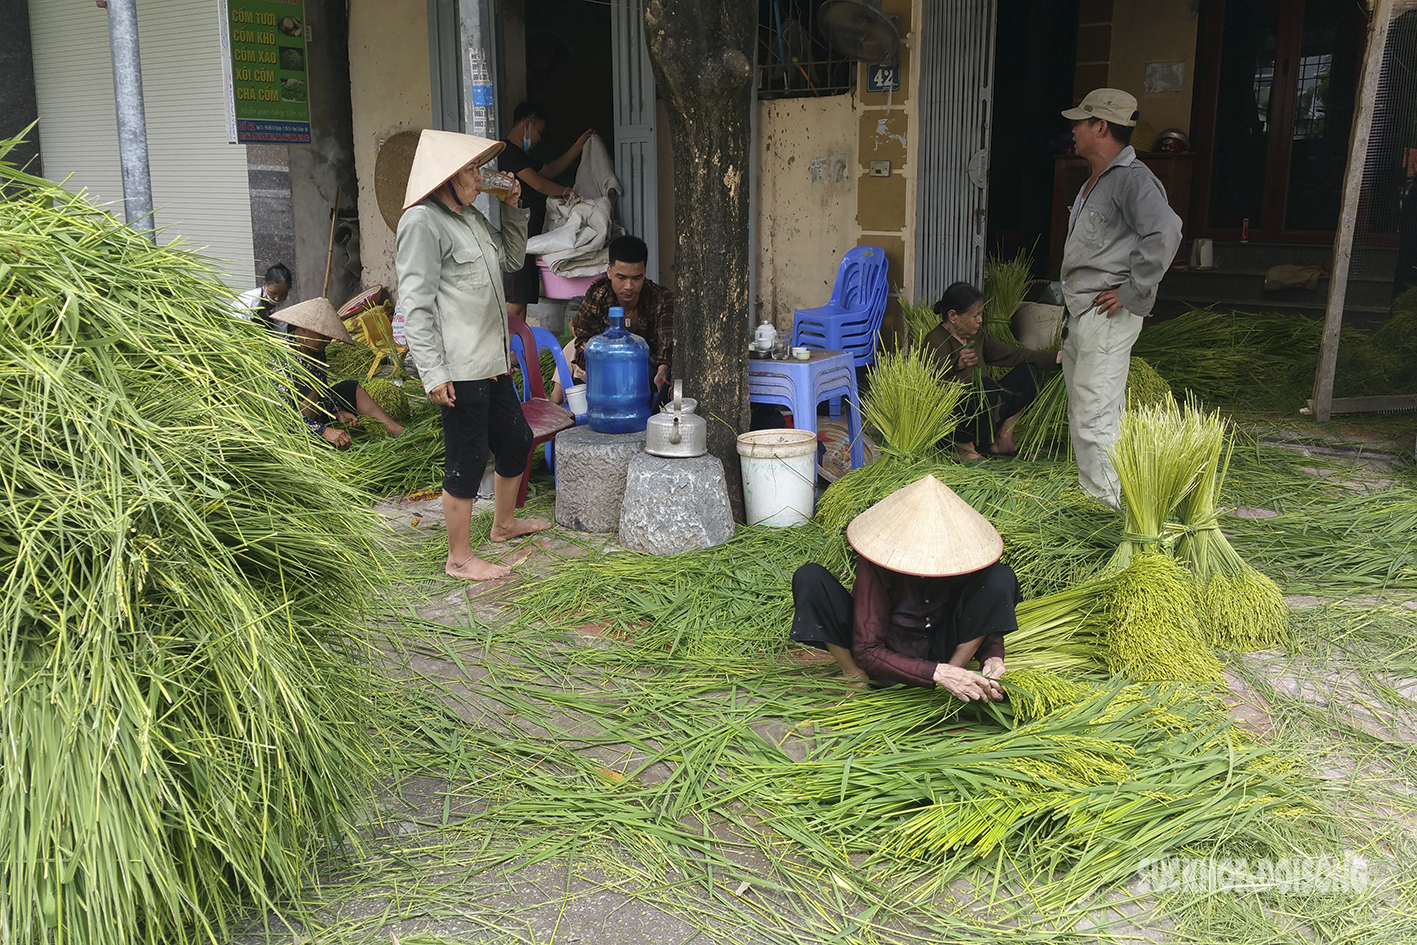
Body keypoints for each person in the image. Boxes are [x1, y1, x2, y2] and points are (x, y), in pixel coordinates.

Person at [396, 128, 551, 582]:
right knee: (467, 457)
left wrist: (512, 210)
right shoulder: (422, 223)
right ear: (445, 177)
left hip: (492, 361)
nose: (480, 177)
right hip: (458, 366)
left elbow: (511, 260)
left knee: (517, 440)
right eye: (470, 169)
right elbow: (417, 305)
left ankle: (502, 525)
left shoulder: (469, 217)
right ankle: (459, 557)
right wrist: (432, 372)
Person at [789, 475, 1018, 702]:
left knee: (1000, 577)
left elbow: (983, 605)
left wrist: (992, 657)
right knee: (810, 578)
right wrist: (936, 673)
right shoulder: (878, 561)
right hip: (884, 650)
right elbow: (867, 649)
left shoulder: (961, 554)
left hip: (940, 642)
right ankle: (854, 675)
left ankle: (957, 673)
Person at [1059, 89, 1183, 507]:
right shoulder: (1096, 180)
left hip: (1106, 313)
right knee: (1087, 413)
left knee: (1095, 418)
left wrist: (1132, 291)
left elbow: (1165, 233)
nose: (1073, 129)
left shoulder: (1133, 180)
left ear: (1101, 127)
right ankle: (1096, 498)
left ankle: (1106, 513)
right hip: (1083, 312)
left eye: (1081, 121)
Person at [919, 281, 1060, 461]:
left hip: (986, 410)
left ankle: (1002, 439)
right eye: (975, 315)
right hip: (956, 420)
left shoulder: (978, 337)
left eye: (981, 314)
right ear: (953, 316)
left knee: (1028, 372)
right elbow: (931, 384)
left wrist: (1055, 358)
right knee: (984, 387)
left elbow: (1013, 354)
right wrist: (957, 365)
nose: (980, 320)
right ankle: (963, 447)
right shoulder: (935, 339)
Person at [499, 102, 595, 319]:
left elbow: (551, 170)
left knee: (521, 299)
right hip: (516, 238)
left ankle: (517, 352)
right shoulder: (507, 152)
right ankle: (504, 351)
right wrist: (569, 192)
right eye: (539, 132)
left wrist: (579, 145)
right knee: (514, 300)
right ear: (526, 125)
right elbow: (540, 184)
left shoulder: (520, 156)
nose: (539, 139)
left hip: (528, 238)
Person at [276, 296, 406, 446]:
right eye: (322, 335)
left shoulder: (316, 350)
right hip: (295, 425)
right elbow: (282, 413)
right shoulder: (283, 358)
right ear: (304, 328)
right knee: (311, 387)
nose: (327, 341)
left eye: (329, 336)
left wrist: (337, 411)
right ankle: (311, 446)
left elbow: (323, 388)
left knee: (351, 388)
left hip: (318, 408)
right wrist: (323, 431)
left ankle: (397, 430)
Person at [570, 235, 673, 401]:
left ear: (645, 273)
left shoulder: (660, 299)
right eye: (621, 277)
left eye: (637, 278)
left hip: (647, 373)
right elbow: (583, 341)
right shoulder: (596, 298)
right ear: (609, 272)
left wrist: (662, 372)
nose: (629, 286)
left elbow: (667, 342)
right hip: (604, 371)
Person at [231, 263, 292, 334]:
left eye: (283, 295)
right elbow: (236, 327)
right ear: (264, 285)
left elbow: (280, 333)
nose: (277, 298)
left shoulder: (287, 306)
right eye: (273, 293)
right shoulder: (247, 300)